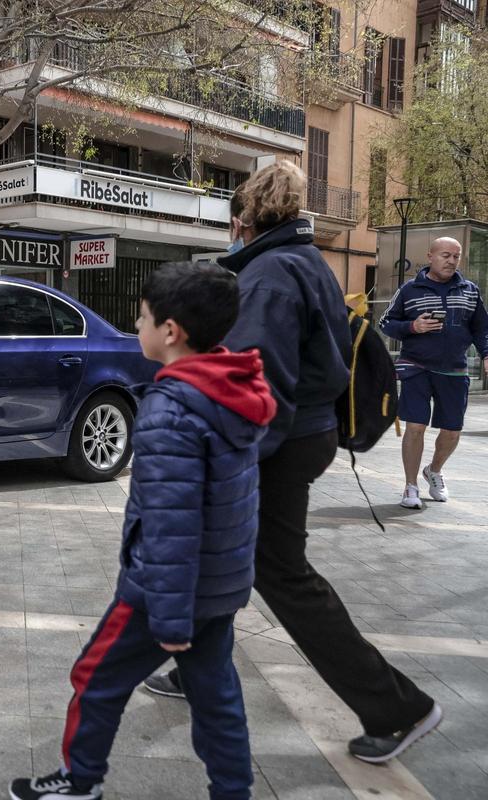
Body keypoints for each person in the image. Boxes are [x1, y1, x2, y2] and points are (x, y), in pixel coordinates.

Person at [143, 162, 441, 764]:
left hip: (281, 441)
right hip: (306, 434)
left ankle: (397, 707)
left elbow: (261, 386)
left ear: (242, 220)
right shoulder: (305, 263)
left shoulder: (271, 275)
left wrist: (228, 461)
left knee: (281, 574)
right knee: (225, 554)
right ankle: (195, 669)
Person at [10, 262, 275, 800]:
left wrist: (171, 618)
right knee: (216, 695)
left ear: (171, 332)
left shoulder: (170, 412)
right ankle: (234, 792)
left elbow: (171, 525)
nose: (136, 327)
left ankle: (79, 780)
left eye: (142, 318)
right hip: (218, 584)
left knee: (95, 678)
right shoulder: (233, 391)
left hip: (163, 593)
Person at [378, 237, 488, 508]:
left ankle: (434, 470)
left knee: (452, 431)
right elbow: (386, 322)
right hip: (416, 366)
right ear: (430, 256)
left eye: (456, 256)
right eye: (445, 255)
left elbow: (481, 329)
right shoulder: (409, 289)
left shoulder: (470, 291)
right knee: (416, 426)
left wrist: (487, 354)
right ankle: (410, 486)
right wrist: (412, 327)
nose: (451, 260)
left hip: (454, 370)